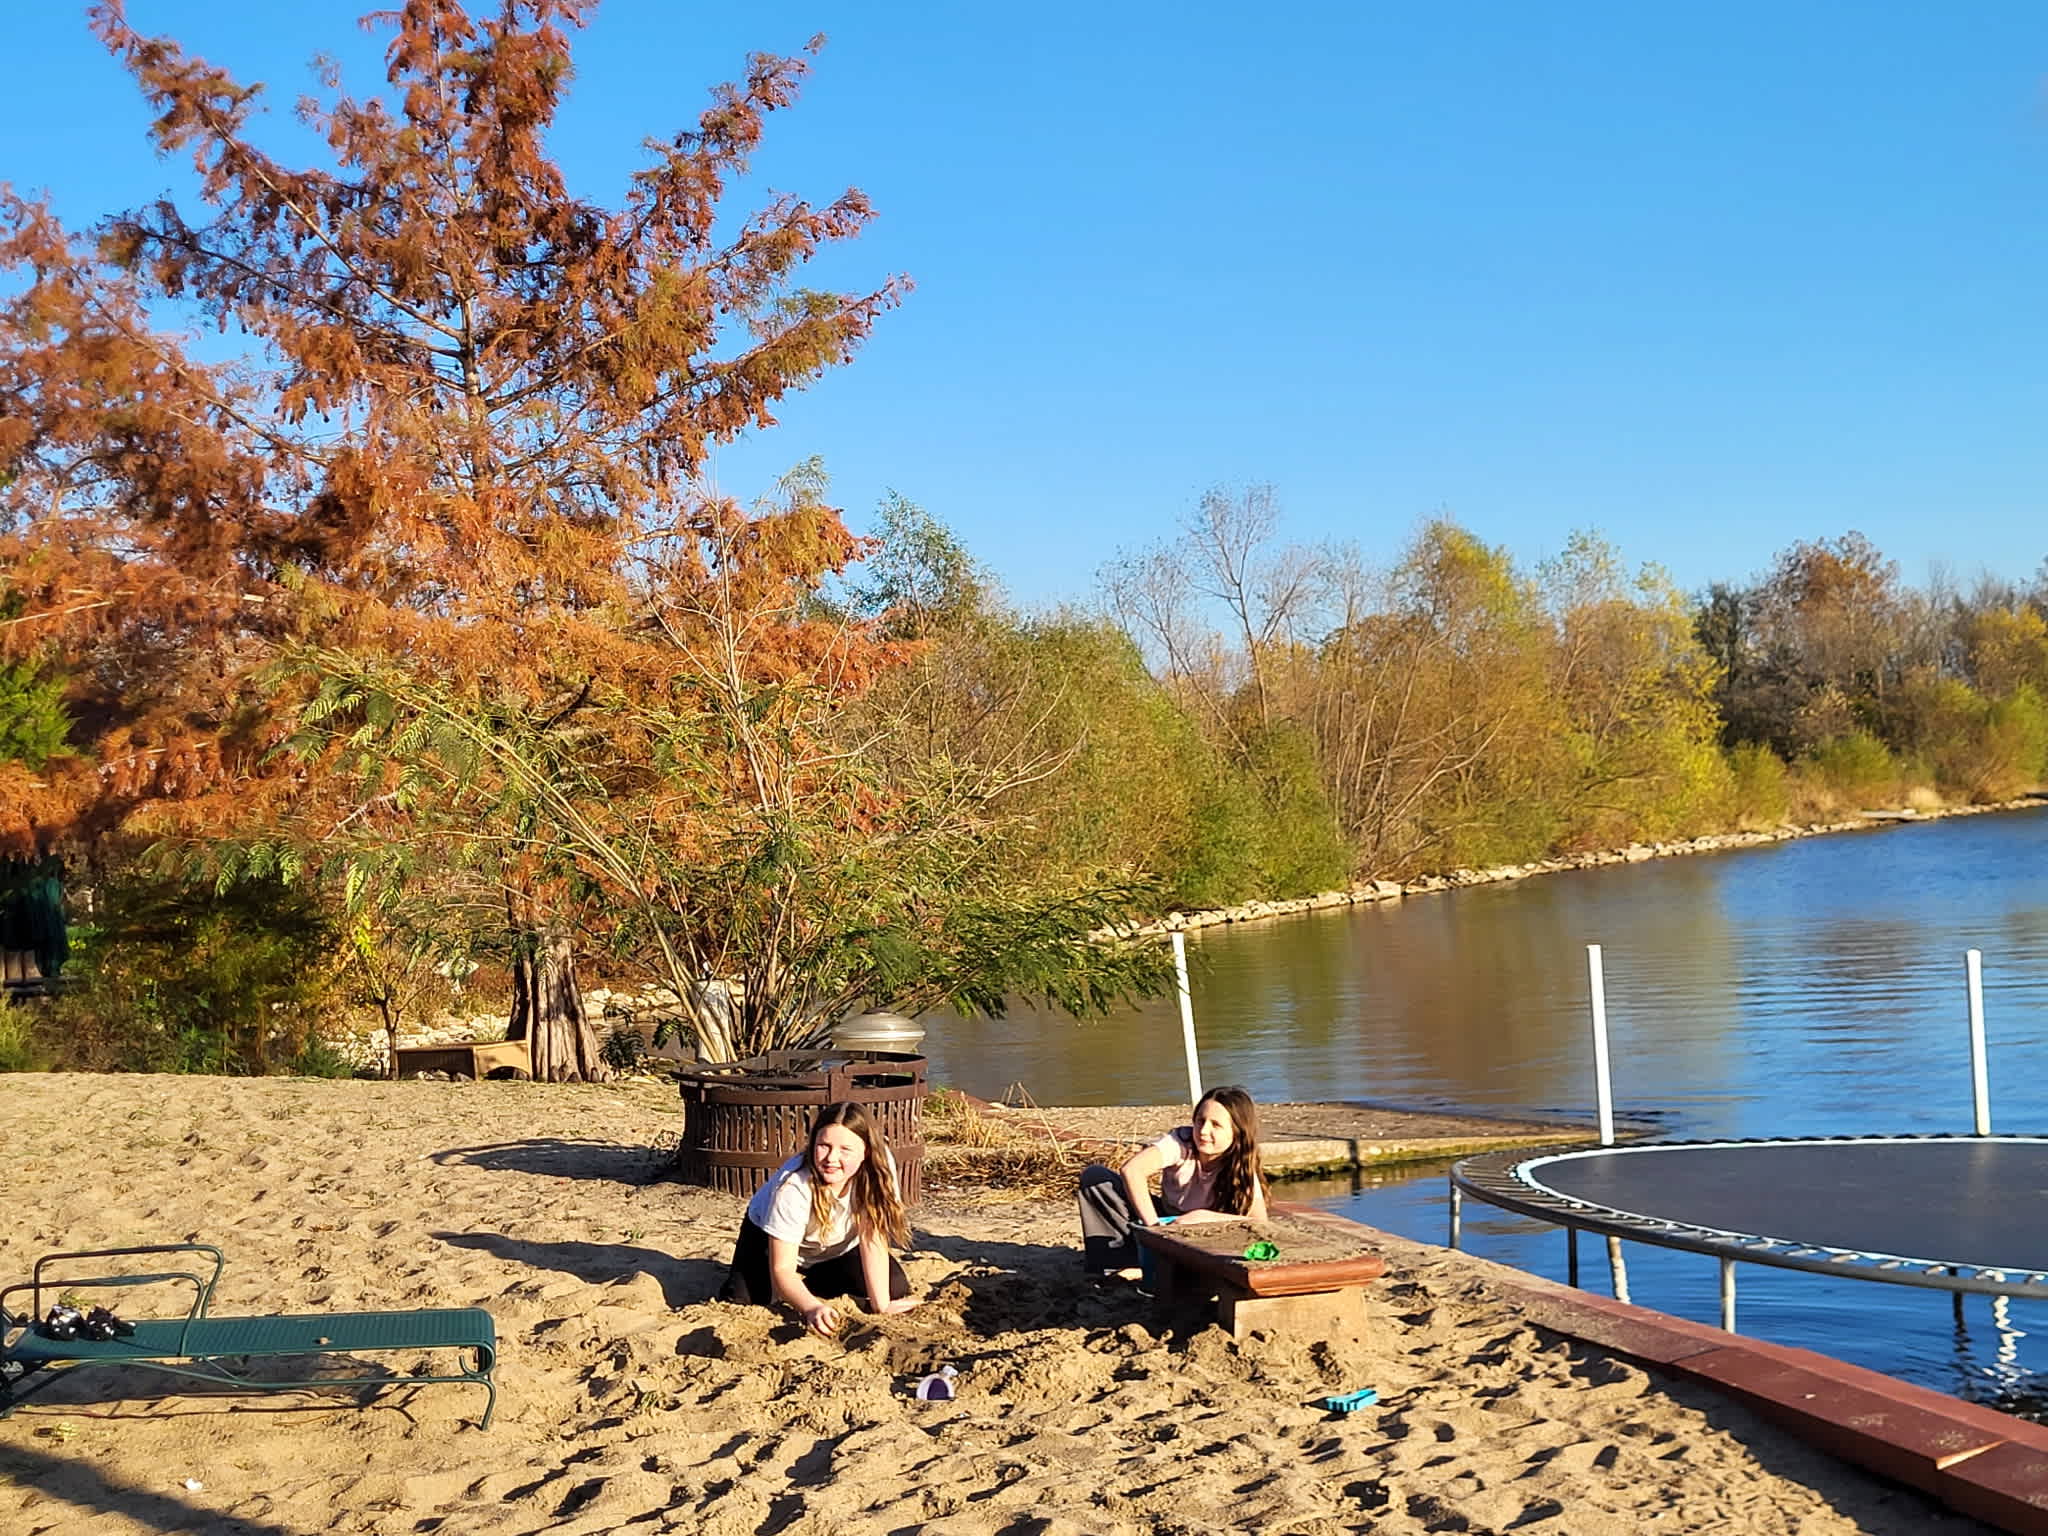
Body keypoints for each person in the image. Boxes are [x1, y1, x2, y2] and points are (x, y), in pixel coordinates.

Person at [718, 1101, 920, 1335]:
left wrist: (881, 1305)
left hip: (836, 1249)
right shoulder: (794, 1187)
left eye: (845, 1150)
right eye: (824, 1146)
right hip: (771, 1244)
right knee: (748, 1299)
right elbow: (782, 1268)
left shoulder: (880, 1170)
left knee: (894, 1287)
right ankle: (795, 1290)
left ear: (866, 1151)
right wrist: (812, 1308)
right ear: (812, 1144)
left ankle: (810, 1284)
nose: (832, 1158)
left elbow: (872, 1236)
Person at [1076, 1084, 1268, 1278]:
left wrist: (1204, 1217)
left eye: (1215, 1125)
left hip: (1208, 1238)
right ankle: (1112, 1266)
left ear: (1237, 1132)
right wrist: (1155, 1230)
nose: (1203, 1131)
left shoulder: (1241, 1165)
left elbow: (1261, 1224)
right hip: (1165, 1222)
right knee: (1096, 1178)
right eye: (1200, 1121)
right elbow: (1132, 1170)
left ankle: (1152, 1270)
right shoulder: (1181, 1141)